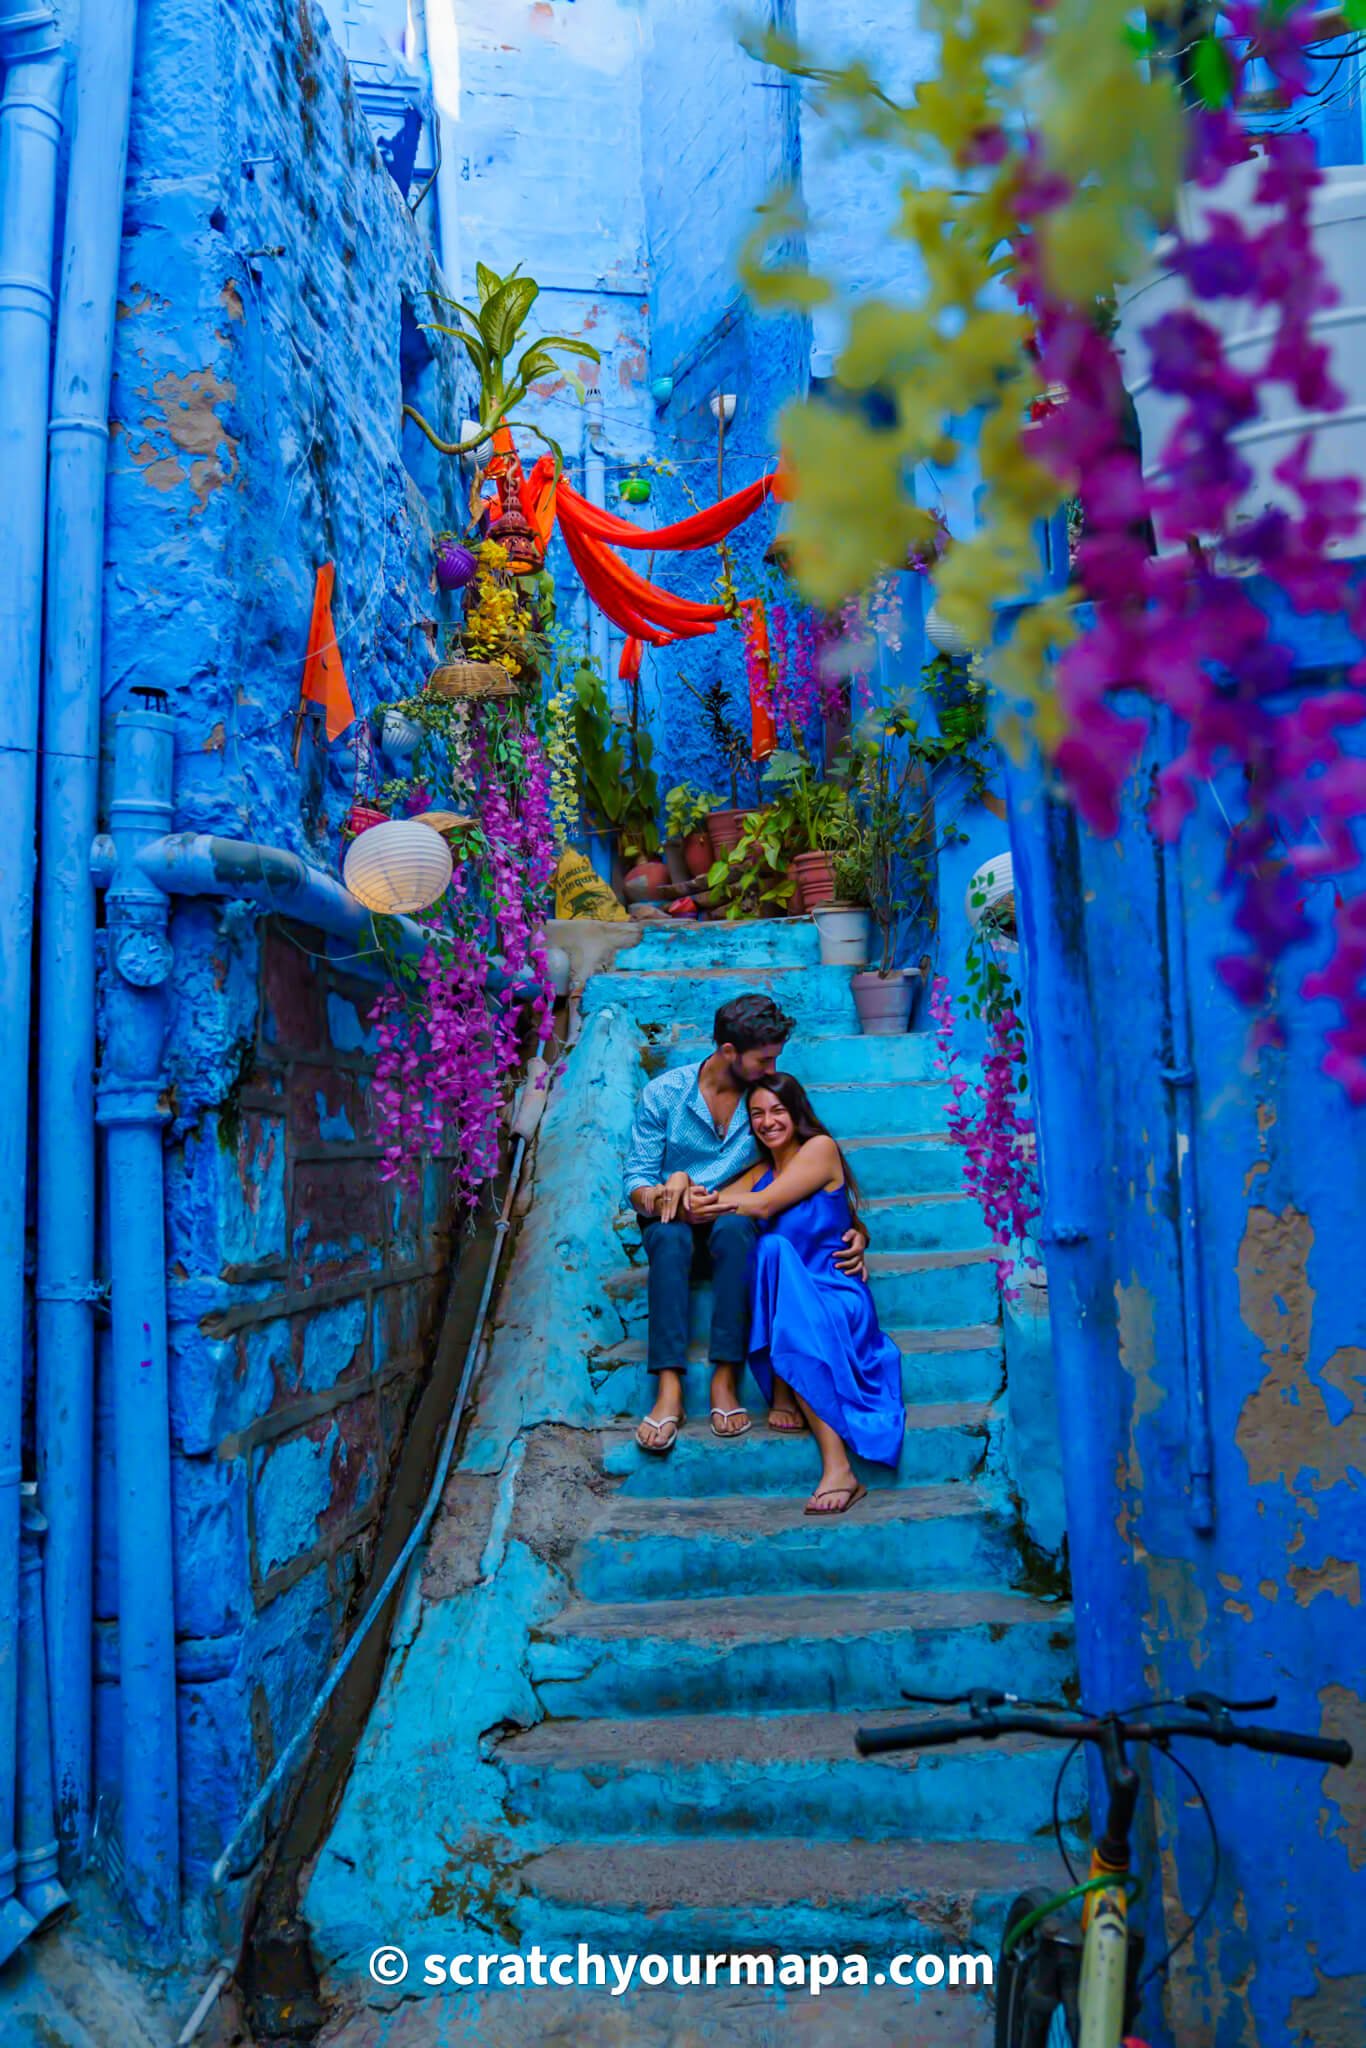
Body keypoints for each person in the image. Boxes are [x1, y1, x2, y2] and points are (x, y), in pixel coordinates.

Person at [622, 996, 868, 1455]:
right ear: (730, 1051)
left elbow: (807, 1171)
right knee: (670, 1236)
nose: (772, 1065)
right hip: (672, 1218)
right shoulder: (664, 1094)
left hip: (731, 1223)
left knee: (736, 1232)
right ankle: (670, 1389)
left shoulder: (765, 1102)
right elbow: (636, 1178)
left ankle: (724, 1379)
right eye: (765, 1058)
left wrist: (855, 1229)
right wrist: (662, 1193)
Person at [689, 1073, 903, 1515]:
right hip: (789, 1301)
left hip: (835, 1291)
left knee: (773, 1246)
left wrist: (858, 1235)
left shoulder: (819, 1150)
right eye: (757, 1114)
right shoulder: (760, 1173)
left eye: (778, 1111)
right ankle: (786, 1385)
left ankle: (838, 1466)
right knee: (770, 1251)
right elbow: (708, 1205)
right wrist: (678, 1187)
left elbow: (764, 1206)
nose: (768, 1122)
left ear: (796, 1112)